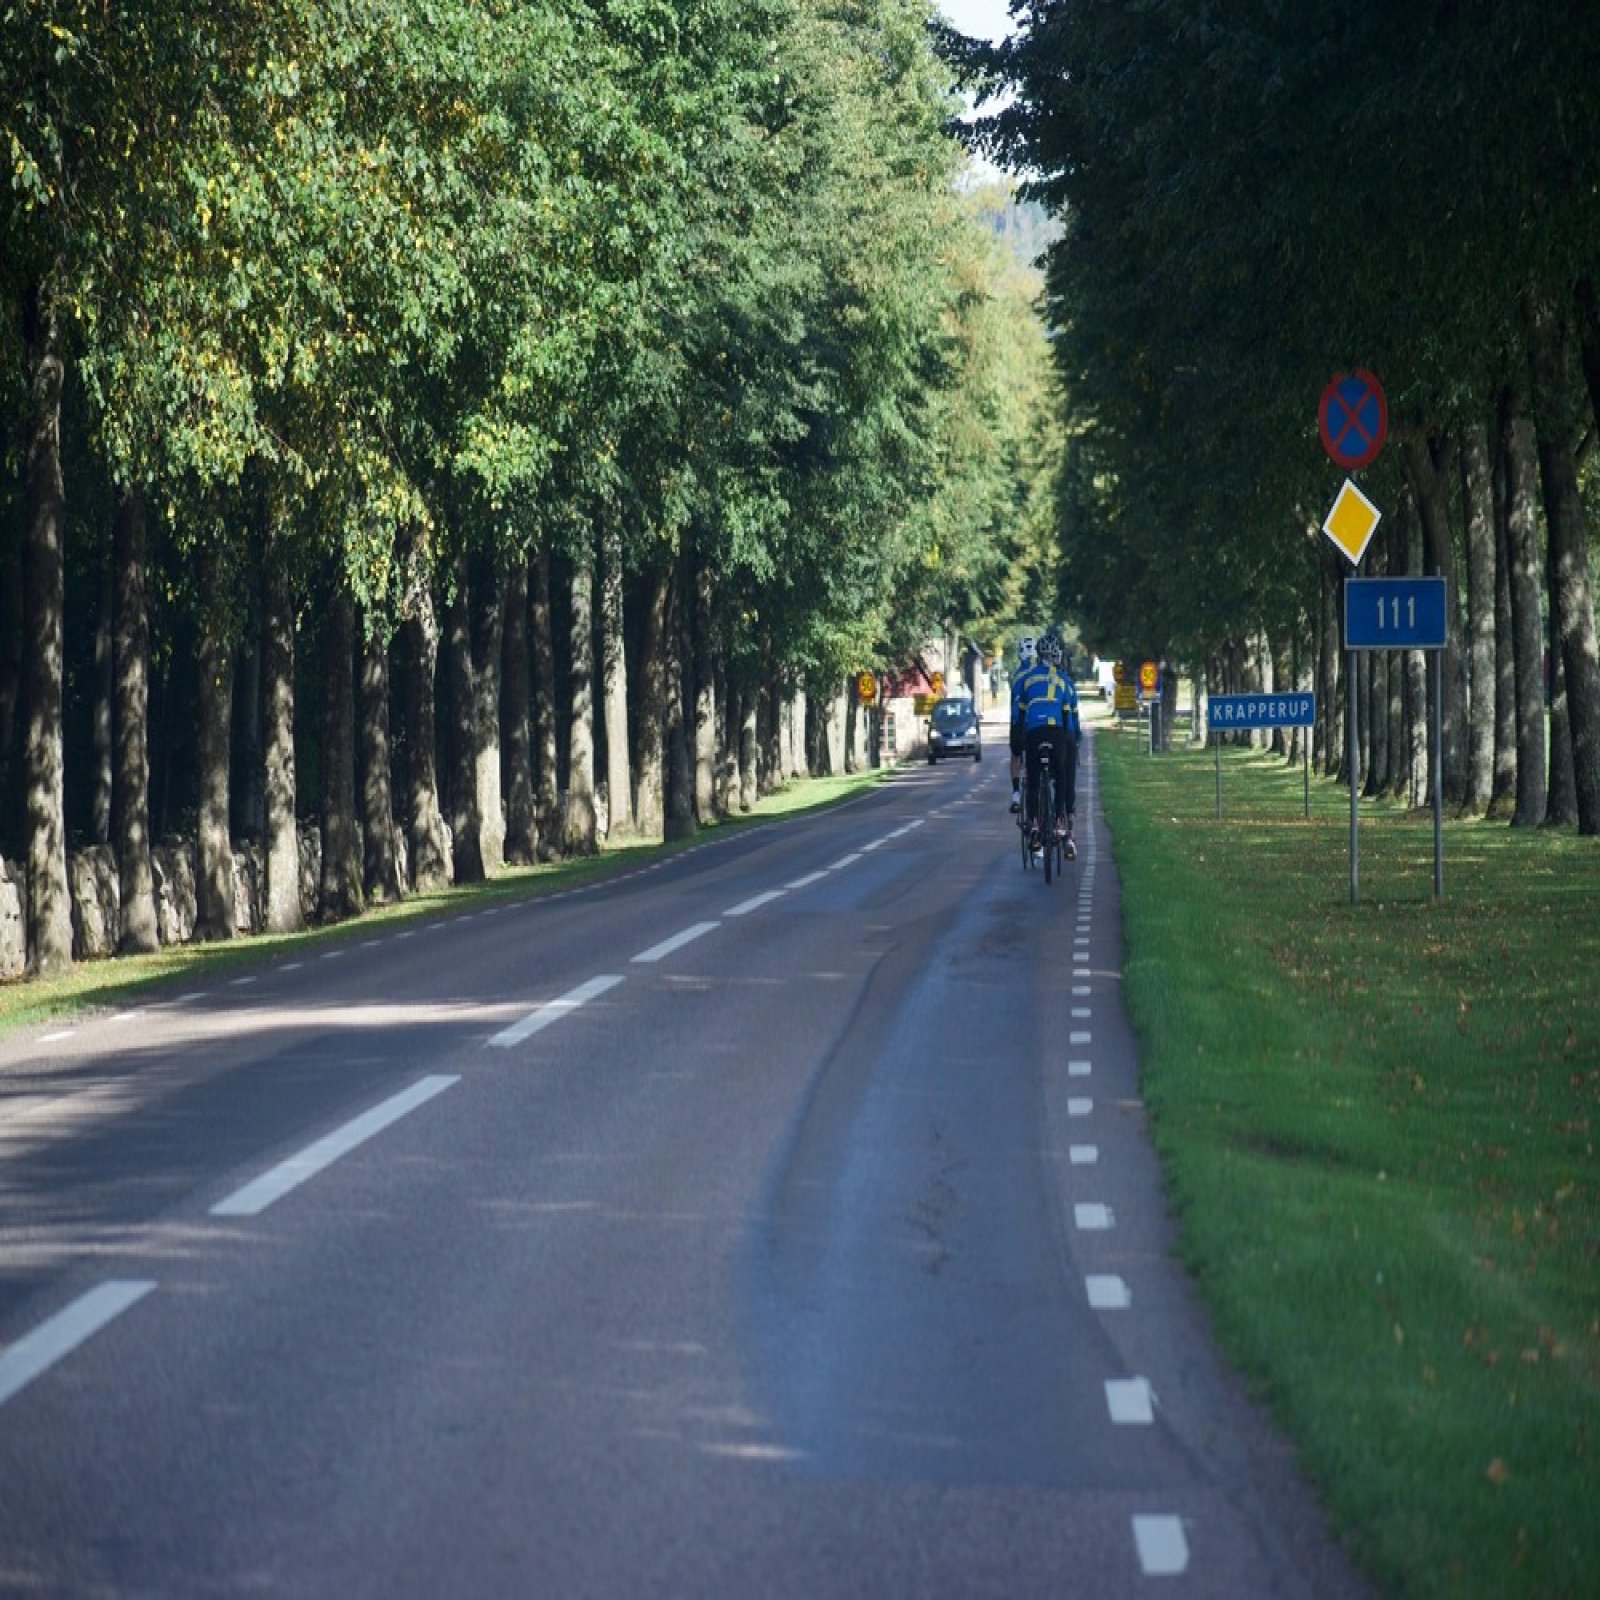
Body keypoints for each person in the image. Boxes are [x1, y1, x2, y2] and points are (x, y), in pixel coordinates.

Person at [1019, 633, 1081, 858]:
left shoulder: (1027, 679)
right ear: (1057, 657)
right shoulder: (1064, 681)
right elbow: (1071, 718)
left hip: (1034, 733)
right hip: (1058, 733)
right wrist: (1074, 739)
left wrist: (1019, 739)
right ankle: (1059, 822)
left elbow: (1021, 714)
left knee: (1034, 778)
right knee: (1063, 775)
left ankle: (1034, 823)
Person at [1007, 634, 1036, 813]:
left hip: (1019, 722)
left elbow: (1014, 705)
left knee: (1016, 756)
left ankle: (1016, 793)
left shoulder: (1017, 676)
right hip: (1037, 724)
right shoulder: (1041, 671)